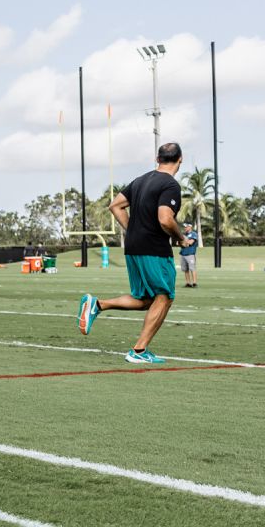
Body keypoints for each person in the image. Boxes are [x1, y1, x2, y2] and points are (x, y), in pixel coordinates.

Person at [78, 142, 192, 364]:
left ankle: (98, 304)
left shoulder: (141, 180)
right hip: (154, 249)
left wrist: (132, 230)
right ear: (180, 159)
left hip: (133, 246)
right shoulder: (170, 185)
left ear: (157, 159)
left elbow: (115, 205)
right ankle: (139, 351)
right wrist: (180, 237)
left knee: (147, 299)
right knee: (165, 296)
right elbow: (165, 219)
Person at [179, 221, 200, 289]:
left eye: (186, 226)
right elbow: (178, 243)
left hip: (190, 254)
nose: (185, 228)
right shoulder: (183, 234)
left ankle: (194, 283)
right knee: (185, 269)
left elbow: (190, 243)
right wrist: (184, 242)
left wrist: (184, 242)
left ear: (190, 226)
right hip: (183, 253)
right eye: (184, 227)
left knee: (192, 268)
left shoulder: (193, 234)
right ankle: (188, 283)